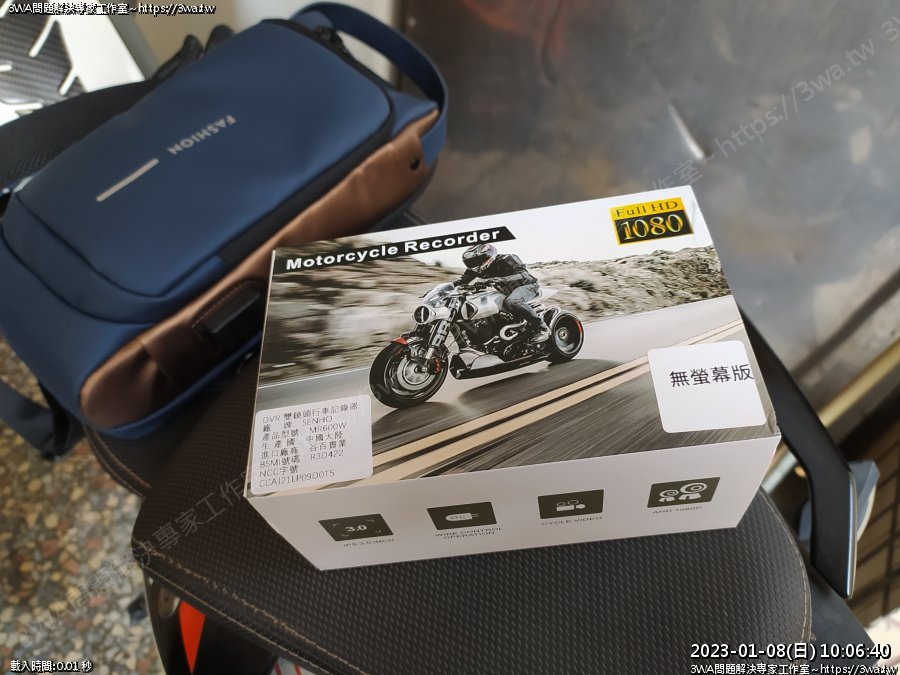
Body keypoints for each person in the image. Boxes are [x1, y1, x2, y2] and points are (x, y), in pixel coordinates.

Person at [454, 244, 551, 342]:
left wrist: (497, 280)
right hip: (506, 291)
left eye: (476, 260)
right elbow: (461, 281)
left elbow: (524, 275)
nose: (473, 264)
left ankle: (542, 328)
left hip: (527, 286)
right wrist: (449, 287)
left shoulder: (508, 258)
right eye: (470, 262)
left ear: (488, 256)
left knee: (513, 301)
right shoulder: (475, 268)